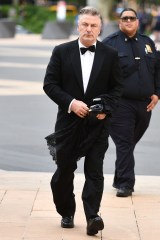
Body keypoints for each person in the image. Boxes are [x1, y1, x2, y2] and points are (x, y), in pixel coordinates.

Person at [43, 6, 122, 236]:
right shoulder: (61, 51)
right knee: (64, 173)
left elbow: (117, 89)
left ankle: (92, 217)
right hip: (68, 124)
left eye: (93, 25)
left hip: (97, 124)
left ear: (100, 29)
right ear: (78, 25)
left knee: (94, 172)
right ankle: (66, 211)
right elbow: (49, 84)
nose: (89, 29)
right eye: (85, 24)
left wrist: (105, 108)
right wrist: (72, 103)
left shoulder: (110, 55)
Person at [102, 8, 160, 197]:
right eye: (124, 18)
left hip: (145, 105)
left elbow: (157, 70)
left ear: (137, 21)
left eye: (131, 18)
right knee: (125, 142)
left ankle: (119, 177)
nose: (128, 21)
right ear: (120, 22)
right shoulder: (110, 44)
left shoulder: (147, 42)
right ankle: (126, 184)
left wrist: (157, 94)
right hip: (120, 104)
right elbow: (101, 75)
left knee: (128, 143)